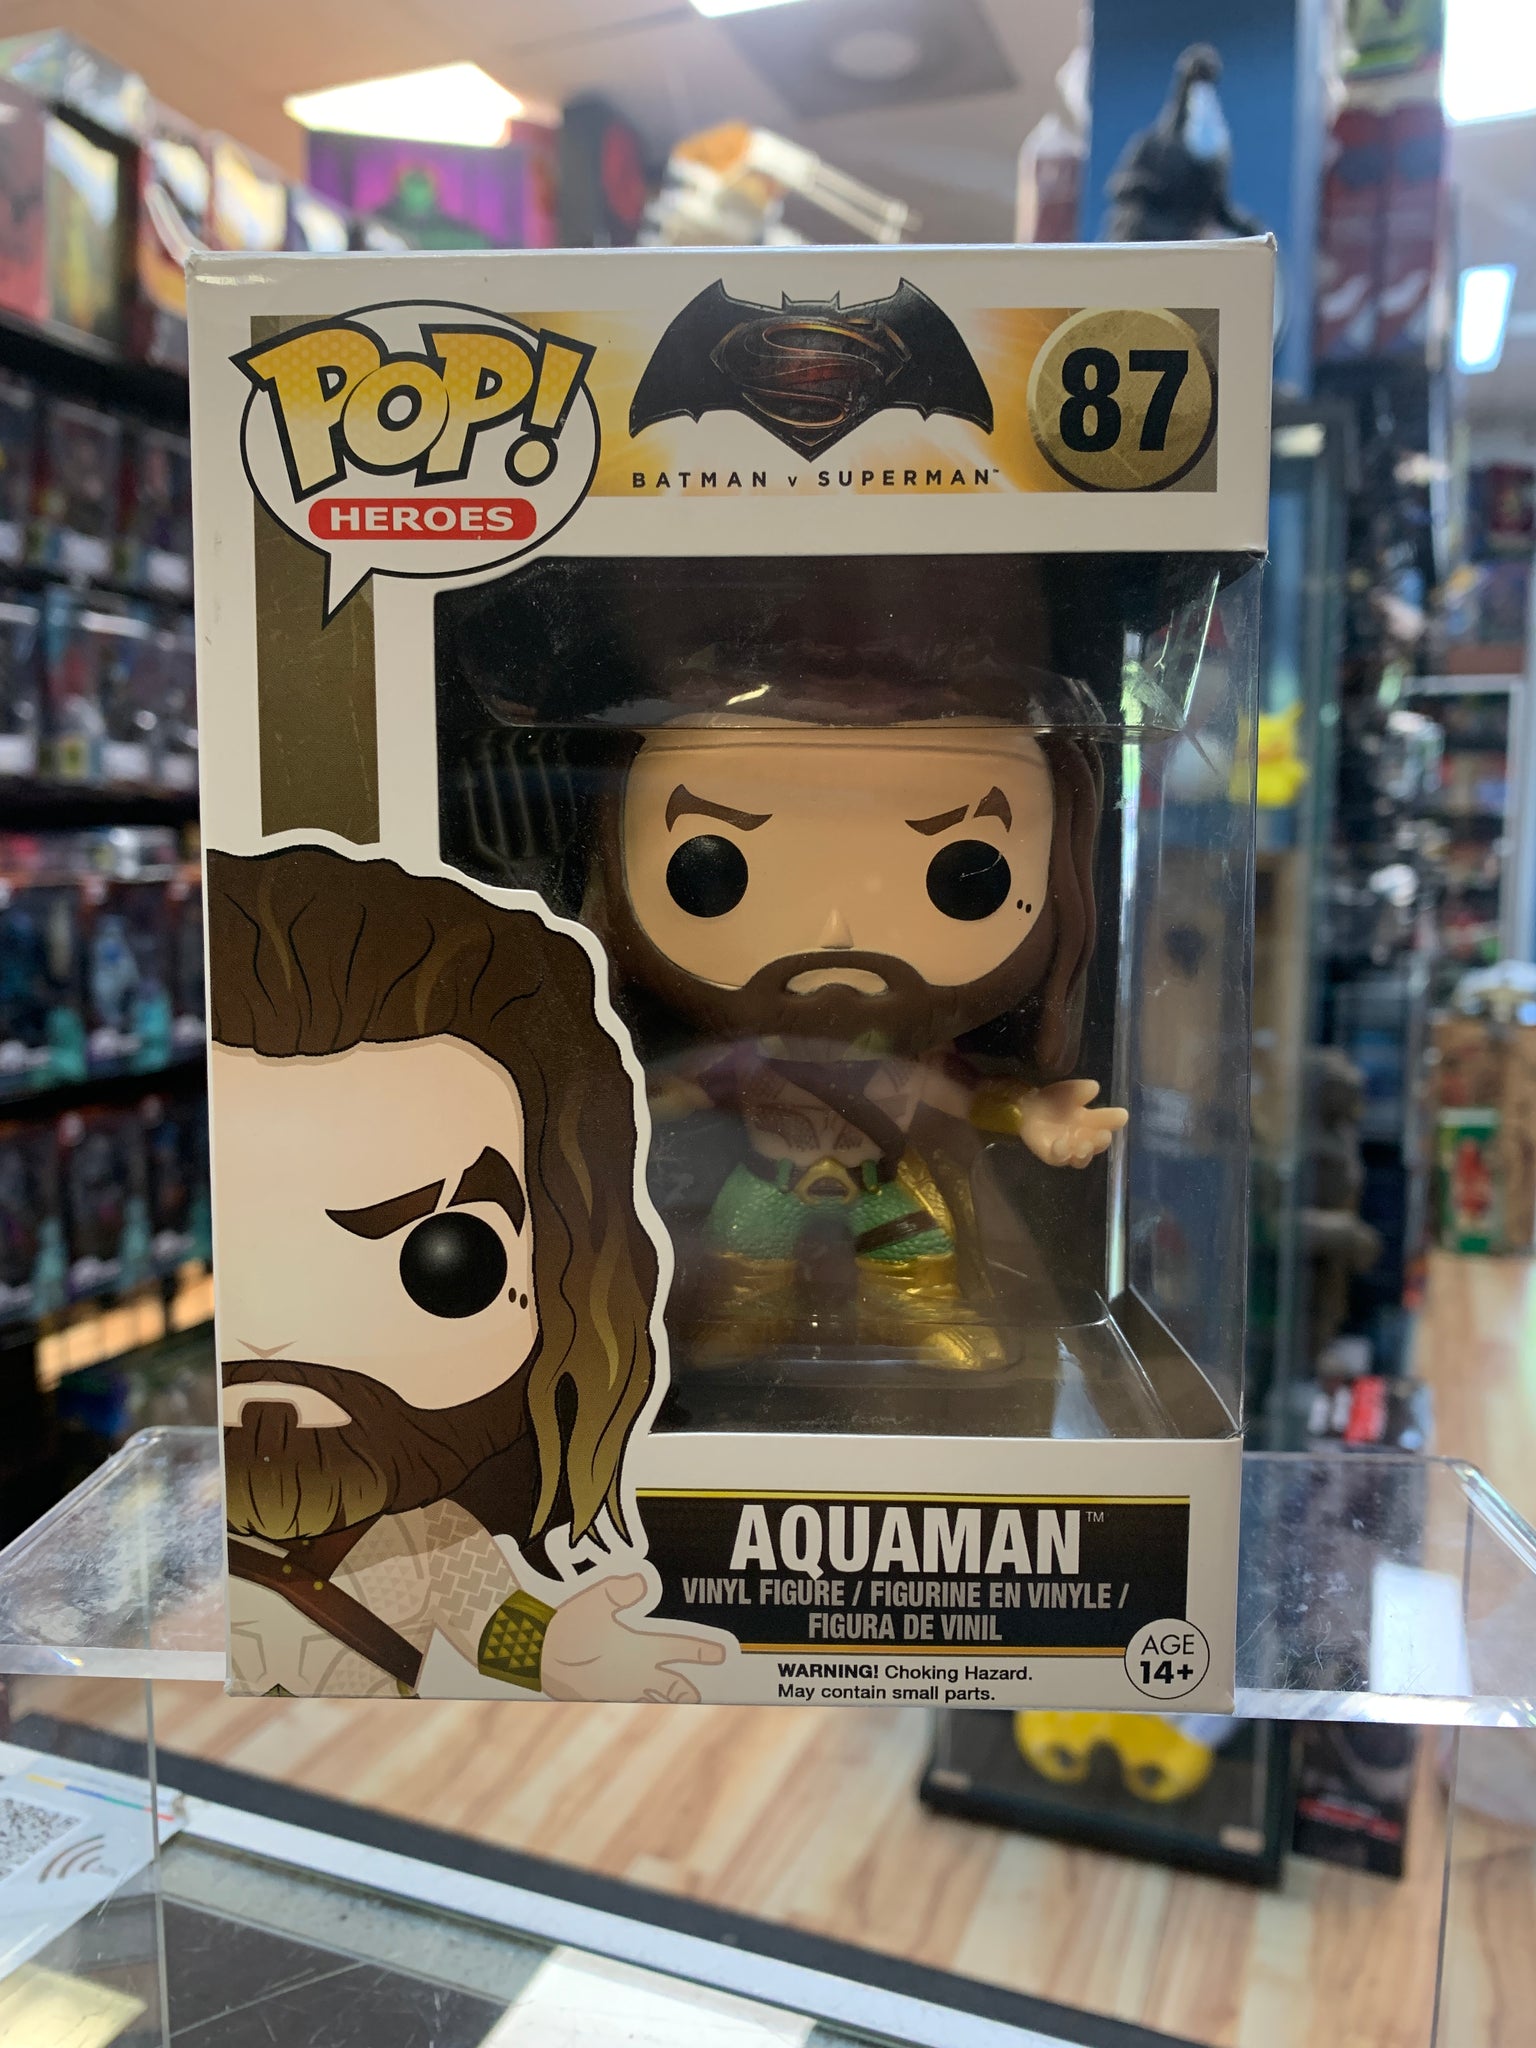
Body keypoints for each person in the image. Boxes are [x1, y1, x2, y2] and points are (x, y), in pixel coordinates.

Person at [209, 843, 725, 1700]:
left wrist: (562, 1656)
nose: (278, 1338)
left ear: (559, 1275)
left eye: (447, 1263)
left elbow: (497, 1626)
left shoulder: (430, 1541)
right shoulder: (183, 1514)